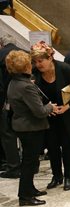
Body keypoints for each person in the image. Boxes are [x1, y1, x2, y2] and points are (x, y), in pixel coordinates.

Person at [31, 41, 70, 191]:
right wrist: (47, 109)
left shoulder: (65, 69)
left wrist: (67, 107)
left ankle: (68, 176)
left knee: (67, 146)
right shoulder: (34, 75)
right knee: (52, 147)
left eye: (40, 61)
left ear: (50, 58)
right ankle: (57, 176)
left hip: (67, 115)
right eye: (35, 62)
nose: (38, 65)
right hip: (48, 117)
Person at [6, 50, 58, 206]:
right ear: (26, 66)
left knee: (30, 161)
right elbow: (40, 111)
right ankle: (25, 196)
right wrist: (50, 107)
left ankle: (30, 189)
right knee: (29, 163)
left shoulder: (14, 82)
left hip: (22, 126)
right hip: (31, 128)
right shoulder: (26, 86)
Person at [0, 34, 21, 179]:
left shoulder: (1, 55)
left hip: (7, 99)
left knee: (8, 133)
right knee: (27, 132)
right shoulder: (24, 52)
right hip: (25, 97)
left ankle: (13, 166)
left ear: (2, 43)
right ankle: (33, 165)